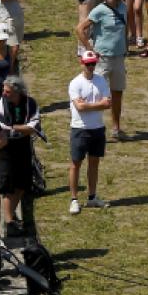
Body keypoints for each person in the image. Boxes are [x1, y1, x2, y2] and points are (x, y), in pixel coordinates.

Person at [76, 0, 130, 139]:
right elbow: (80, 29)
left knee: (117, 92)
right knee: (96, 93)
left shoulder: (123, 7)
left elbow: (125, 28)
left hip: (119, 57)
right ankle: (93, 127)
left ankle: (116, 128)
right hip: (103, 59)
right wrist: (89, 48)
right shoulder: (99, 10)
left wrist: (126, 46)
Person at [0, 77, 40, 235]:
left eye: (7, 92)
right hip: (7, 148)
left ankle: (10, 217)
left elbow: (34, 126)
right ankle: (9, 222)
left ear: (17, 92)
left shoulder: (30, 103)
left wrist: (15, 127)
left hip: (24, 147)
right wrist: (22, 128)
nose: (3, 94)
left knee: (22, 184)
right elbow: (2, 128)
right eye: (3, 91)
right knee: (7, 186)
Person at [66, 53, 111, 214]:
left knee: (94, 163)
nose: (91, 67)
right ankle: (74, 199)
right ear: (82, 63)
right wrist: (98, 104)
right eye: (88, 64)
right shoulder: (75, 83)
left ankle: (92, 197)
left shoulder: (101, 80)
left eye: (93, 64)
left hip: (97, 128)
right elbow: (80, 107)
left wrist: (88, 105)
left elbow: (108, 103)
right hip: (80, 128)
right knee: (76, 164)